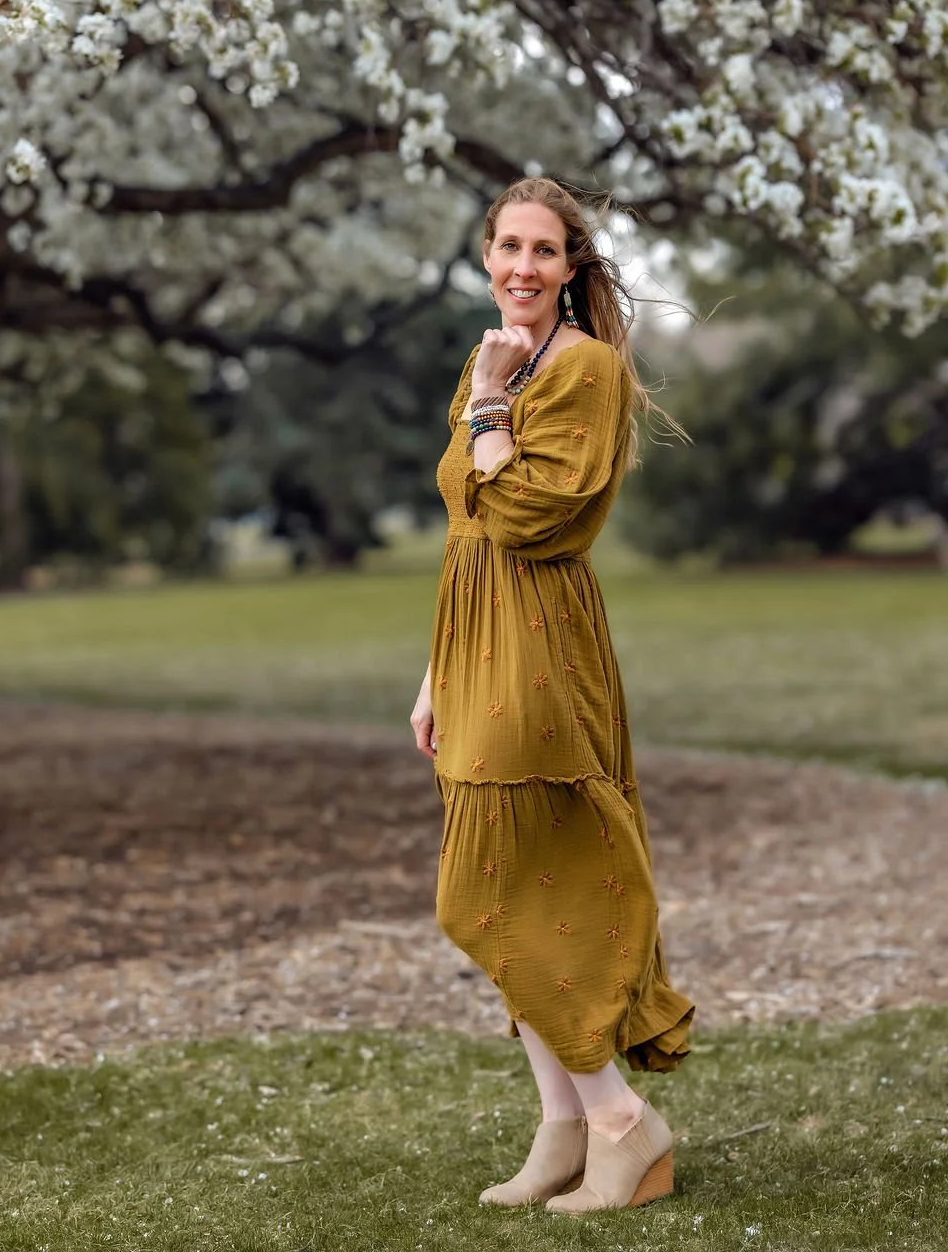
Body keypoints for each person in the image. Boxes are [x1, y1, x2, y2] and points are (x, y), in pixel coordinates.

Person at [410, 177, 694, 1216]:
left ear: (571, 267)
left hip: (539, 640)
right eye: (507, 247)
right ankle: (564, 1125)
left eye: (543, 251)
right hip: (476, 637)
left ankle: (621, 1121)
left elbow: (532, 514)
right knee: (511, 884)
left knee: (493, 886)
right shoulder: (489, 354)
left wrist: (491, 407)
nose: (522, 268)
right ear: (485, 254)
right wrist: (435, 671)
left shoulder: (581, 370)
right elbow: (463, 522)